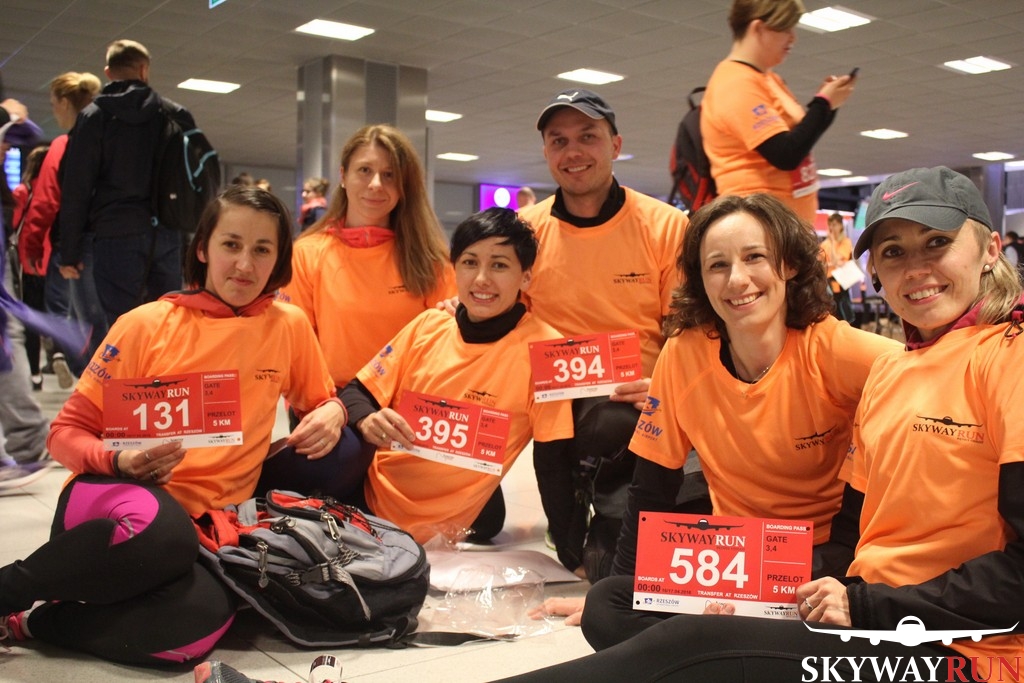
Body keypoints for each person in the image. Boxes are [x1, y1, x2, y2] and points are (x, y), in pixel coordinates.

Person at [495, 167, 1024, 683]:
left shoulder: (979, 357)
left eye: (937, 243)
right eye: (893, 252)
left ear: (990, 249)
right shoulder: (895, 370)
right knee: (615, 604)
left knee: (696, 644)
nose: (915, 268)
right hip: (834, 598)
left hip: (949, 644)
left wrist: (858, 602)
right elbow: (858, 524)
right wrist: (796, 598)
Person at [0, 186, 348, 665]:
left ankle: (34, 622)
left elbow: (320, 400)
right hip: (115, 504)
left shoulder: (288, 325)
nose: (244, 264)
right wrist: (118, 460)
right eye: (231, 244)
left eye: (262, 250)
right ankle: (9, 588)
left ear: (278, 260)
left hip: (207, 529)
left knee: (190, 634)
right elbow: (63, 434)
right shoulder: (144, 324)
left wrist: (335, 410)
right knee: (165, 538)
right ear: (202, 248)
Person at [534, 193, 899, 636]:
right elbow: (650, 490)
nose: (737, 280)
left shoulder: (836, 349)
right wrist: (625, 593)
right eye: (717, 265)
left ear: (788, 265)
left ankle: (725, 637)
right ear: (701, 280)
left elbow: (925, 373)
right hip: (735, 558)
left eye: (754, 257)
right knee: (606, 605)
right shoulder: (684, 353)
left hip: (829, 559)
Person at [517, 88, 692, 580]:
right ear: (547, 152)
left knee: (614, 564)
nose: (573, 152)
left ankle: (614, 514)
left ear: (615, 145)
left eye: (588, 137)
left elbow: (684, 330)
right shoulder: (525, 232)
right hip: (554, 402)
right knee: (574, 557)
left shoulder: (665, 225)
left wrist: (665, 386)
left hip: (640, 401)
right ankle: (583, 512)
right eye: (559, 141)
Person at [338, 207, 574, 542]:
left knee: (488, 519)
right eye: (470, 262)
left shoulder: (546, 352)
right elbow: (355, 391)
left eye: (499, 265)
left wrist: (569, 550)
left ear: (525, 277)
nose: (481, 279)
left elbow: (554, 461)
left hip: (447, 529)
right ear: (455, 269)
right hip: (371, 498)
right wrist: (367, 419)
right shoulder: (429, 324)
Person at [279, 124, 454, 391]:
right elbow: (296, 352)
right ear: (343, 175)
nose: (376, 184)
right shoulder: (306, 254)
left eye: (389, 175)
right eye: (364, 170)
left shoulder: (429, 259)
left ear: (403, 186)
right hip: (330, 406)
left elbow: (445, 347)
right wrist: (338, 407)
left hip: (404, 405)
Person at [59, 40, 196, 330]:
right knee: (165, 325)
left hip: (115, 233)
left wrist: (69, 252)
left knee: (122, 326)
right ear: (144, 70)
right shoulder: (174, 114)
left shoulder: (94, 117)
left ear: (108, 73)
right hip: (167, 235)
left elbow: (76, 187)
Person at [701, 0, 856, 224]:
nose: (793, 38)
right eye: (785, 28)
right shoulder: (736, 83)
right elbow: (785, 154)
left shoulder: (768, 78)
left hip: (780, 224)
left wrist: (828, 104)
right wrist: (823, 104)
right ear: (758, 29)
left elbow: (800, 140)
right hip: (758, 224)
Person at [19, 71, 103, 384]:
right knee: (104, 319)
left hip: (74, 247)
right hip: (115, 244)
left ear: (66, 102)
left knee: (71, 316)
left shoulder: (64, 144)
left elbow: (46, 201)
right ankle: (110, 385)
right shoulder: (110, 141)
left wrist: (31, 246)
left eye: (54, 104)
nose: (54, 111)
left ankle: (79, 372)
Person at [10, 144, 50, 389]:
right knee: (54, 314)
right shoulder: (60, 194)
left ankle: (34, 373)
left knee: (29, 321)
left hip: (28, 265)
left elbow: (12, 224)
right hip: (56, 264)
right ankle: (57, 353)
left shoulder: (23, 192)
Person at [821, 211, 856, 324]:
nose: (832, 228)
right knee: (830, 310)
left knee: (842, 309)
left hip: (841, 281)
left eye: (834, 224)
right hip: (827, 281)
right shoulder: (824, 244)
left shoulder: (845, 242)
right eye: (830, 225)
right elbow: (820, 263)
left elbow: (836, 261)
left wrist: (832, 243)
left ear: (841, 225)